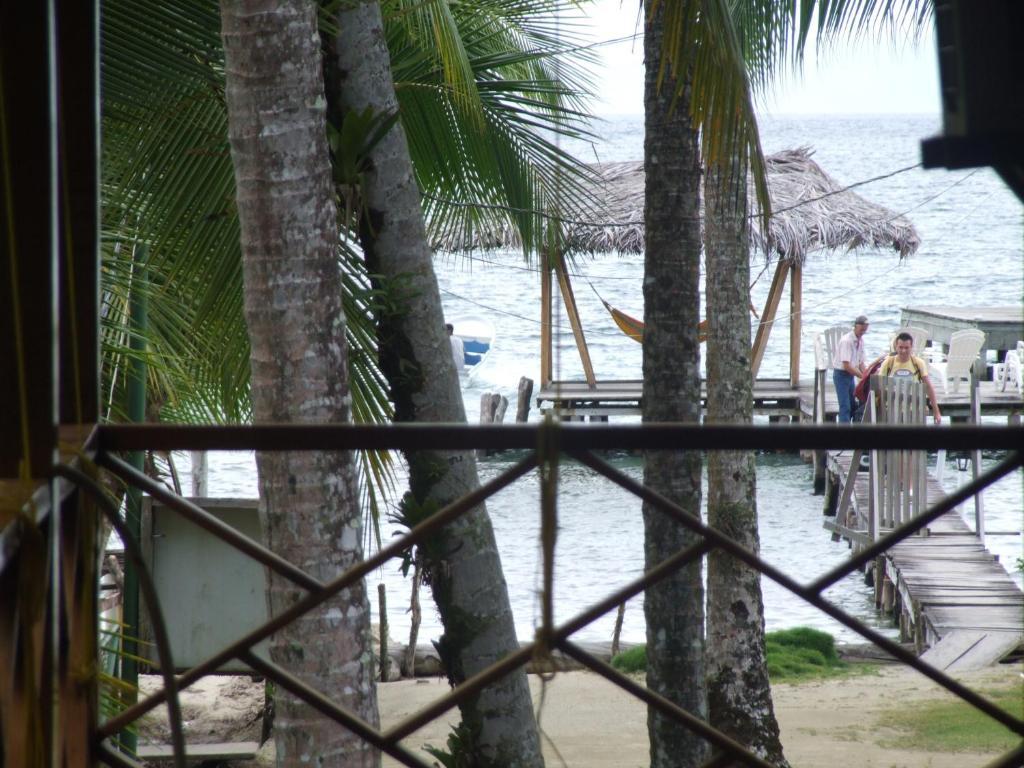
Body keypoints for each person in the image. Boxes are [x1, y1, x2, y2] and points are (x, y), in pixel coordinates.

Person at [880, 331, 942, 424]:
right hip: (893, 408)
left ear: (911, 348)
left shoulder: (918, 363)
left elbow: (928, 387)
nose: (903, 351)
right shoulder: (889, 362)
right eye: (900, 347)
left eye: (906, 348)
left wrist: (936, 412)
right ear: (896, 347)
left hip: (914, 409)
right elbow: (879, 386)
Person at [833, 315, 870, 423]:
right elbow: (846, 365)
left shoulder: (861, 341)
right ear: (855, 326)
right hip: (841, 375)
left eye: (865, 329)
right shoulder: (847, 341)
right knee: (845, 406)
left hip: (850, 376)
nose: (863, 331)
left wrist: (867, 375)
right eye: (861, 328)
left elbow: (861, 362)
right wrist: (861, 376)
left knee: (853, 405)